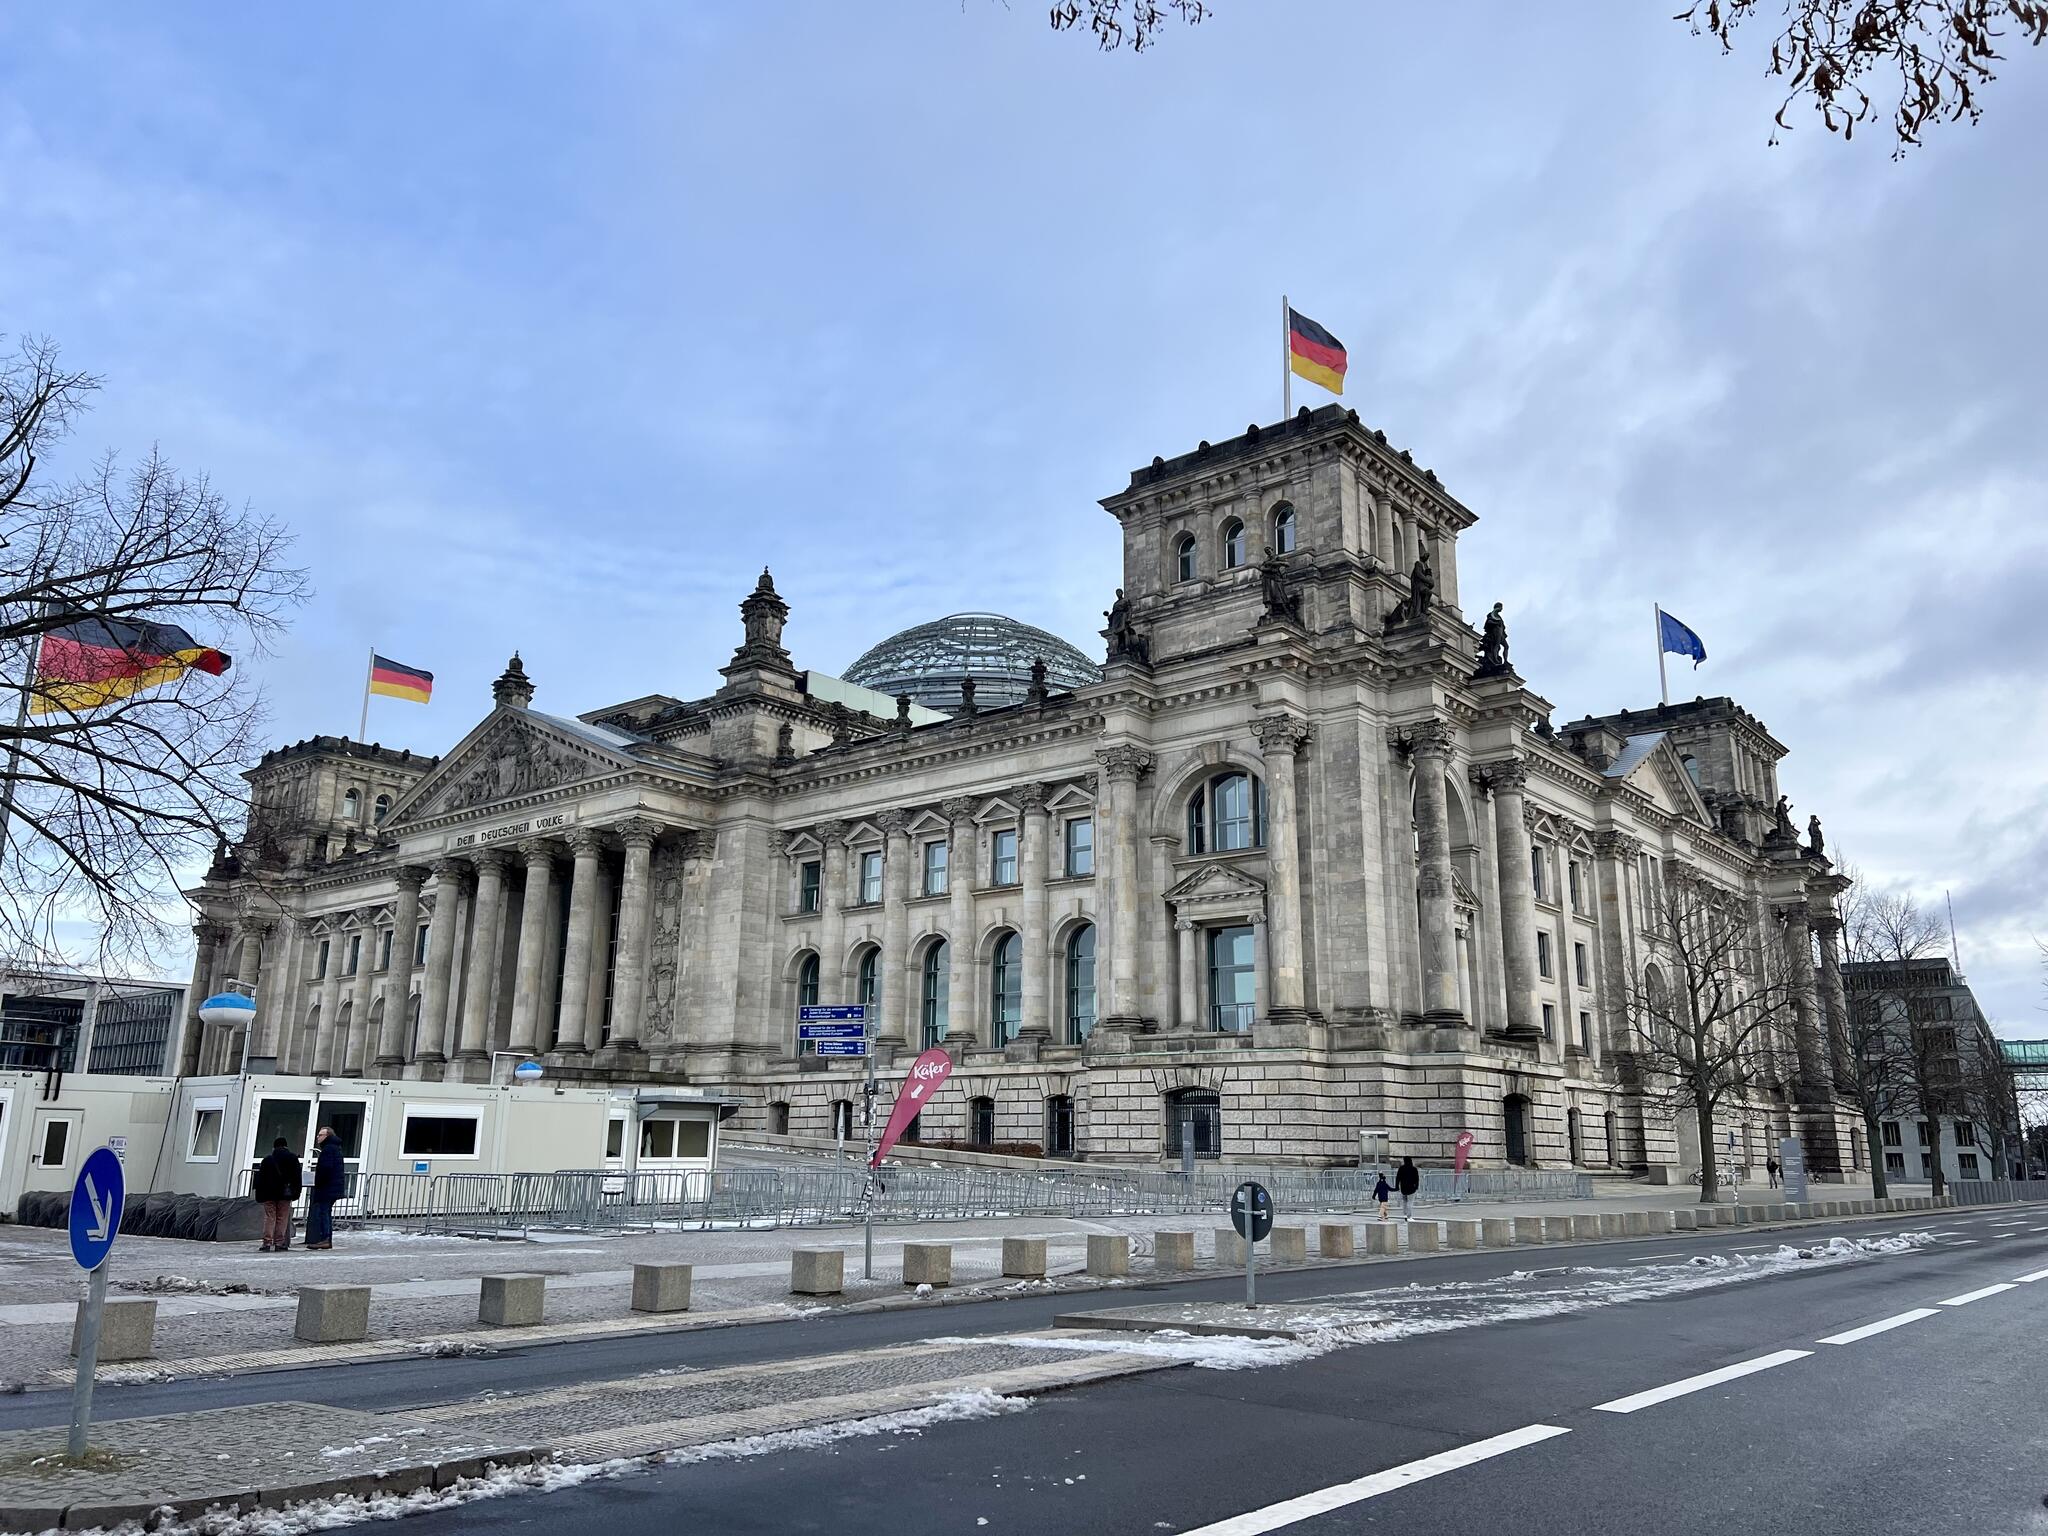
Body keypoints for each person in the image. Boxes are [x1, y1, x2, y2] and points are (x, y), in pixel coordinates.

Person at [251, 1135, 302, 1253]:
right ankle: (279, 1243)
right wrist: (296, 1193)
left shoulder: (267, 1160)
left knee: (270, 1217)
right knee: (282, 1218)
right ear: (286, 1146)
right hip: (285, 1194)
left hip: (268, 1194)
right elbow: (297, 1178)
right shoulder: (292, 1159)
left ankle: (267, 1242)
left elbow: (260, 1179)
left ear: (274, 1147)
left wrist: (259, 1195)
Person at [306, 1125, 346, 1250]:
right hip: (332, 1187)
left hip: (327, 1187)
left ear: (327, 1136)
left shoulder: (328, 1149)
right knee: (325, 1212)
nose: (318, 1137)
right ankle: (325, 1238)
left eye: (320, 1135)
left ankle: (325, 1238)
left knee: (323, 1212)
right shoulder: (335, 1148)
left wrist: (319, 1182)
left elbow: (326, 1169)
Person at [1396, 1155, 1421, 1220]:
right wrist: (1416, 1187)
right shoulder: (1414, 1169)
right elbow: (1417, 1179)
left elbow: (1398, 1178)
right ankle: (1409, 1216)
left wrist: (1397, 1186)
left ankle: (1405, 1214)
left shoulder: (1401, 1168)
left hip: (1403, 1188)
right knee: (1410, 1202)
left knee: (1404, 1202)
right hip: (1411, 1188)